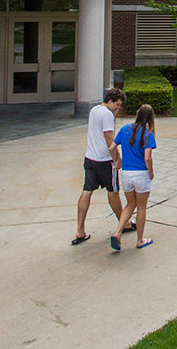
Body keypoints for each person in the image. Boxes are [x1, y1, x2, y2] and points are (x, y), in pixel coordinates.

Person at [73, 88, 135, 245]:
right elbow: (109, 139)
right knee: (113, 192)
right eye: (117, 105)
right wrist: (117, 159)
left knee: (86, 192)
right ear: (110, 101)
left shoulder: (94, 110)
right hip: (105, 160)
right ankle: (125, 223)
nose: (118, 109)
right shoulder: (107, 114)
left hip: (90, 158)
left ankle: (80, 231)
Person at [110, 104, 157, 251]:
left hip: (127, 174)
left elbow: (112, 147)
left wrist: (117, 161)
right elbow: (147, 158)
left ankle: (118, 232)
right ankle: (140, 240)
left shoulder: (124, 129)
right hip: (141, 174)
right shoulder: (148, 134)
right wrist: (151, 172)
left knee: (130, 204)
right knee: (142, 207)